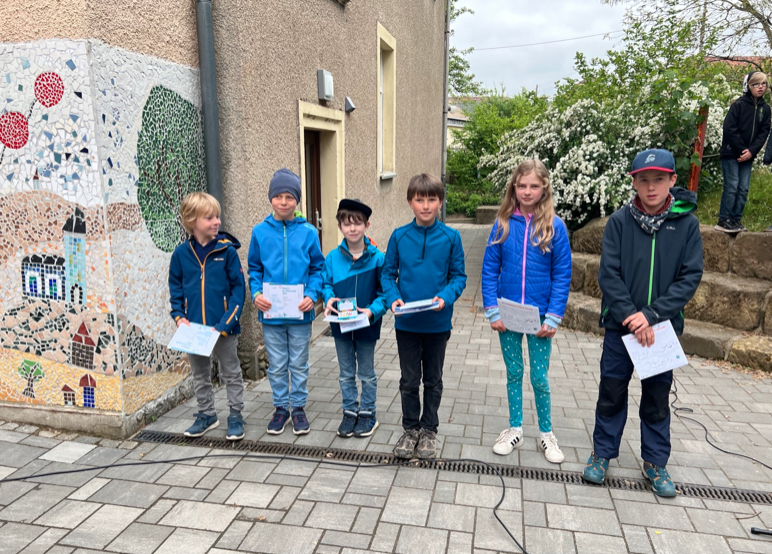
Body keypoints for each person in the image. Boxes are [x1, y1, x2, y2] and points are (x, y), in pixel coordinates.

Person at [584, 149, 703, 497]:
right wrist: (632, 317)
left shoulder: (687, 225)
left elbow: (689, 277)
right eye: (644, 180)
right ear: (634, 183)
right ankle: (602, 453)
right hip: (621, 326)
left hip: (661, 329)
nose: (651, 187)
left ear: (672, 181)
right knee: (611, 392)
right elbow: (609, 274)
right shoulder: (619, 222)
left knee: (656, 397)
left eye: (659, 179)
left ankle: (655, 461)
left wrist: (651, 316)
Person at [481, 159, 572, 464]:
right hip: (508, 314)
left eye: (534, 186)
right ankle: (515, 428)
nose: (527, 191)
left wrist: (554, 316)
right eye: (522, 185)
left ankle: (546, 433)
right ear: (514, 187)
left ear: (544, 188)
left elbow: (562, 274)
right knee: (514, 372)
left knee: (539, 377)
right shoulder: (503, 223)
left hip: (540, 316)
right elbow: (489, 268)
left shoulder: (555, 227)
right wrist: (492, 311)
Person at [382, 173, 467, 459]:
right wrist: (393, 298)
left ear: (440, 201)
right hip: (406, 323)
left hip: (437, 324)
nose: (426, 205)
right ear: (410, 202)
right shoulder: (399, 236)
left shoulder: (452, 237)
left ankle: (429, 430)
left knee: (432, 379)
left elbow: (458, 277)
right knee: (409, 381)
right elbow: (387, 274)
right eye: (420, 199)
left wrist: (446, 296)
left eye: (432, 199)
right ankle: (410, 430)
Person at [248, 168, 325, 436]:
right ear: (270, 198)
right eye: (278, 196)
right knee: (278, 364)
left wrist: (312, 295)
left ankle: (298, 407)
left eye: (289, 197)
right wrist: (256, 294)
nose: (283, 202)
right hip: (271, 315)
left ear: (297, 200)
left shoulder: (309, 232)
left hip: (300, 313)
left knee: (299, 363)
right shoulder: (259, 232)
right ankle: (281, 407)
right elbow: (254, 268)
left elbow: (317, 268)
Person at [168, 192, 246, 441]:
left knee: (230, 372)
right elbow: (175, 288)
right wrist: (179, 317)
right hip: (194, 329)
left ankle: (235, 415)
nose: (217, 222)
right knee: (200, 374)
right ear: (192, 221)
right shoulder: (181, 254)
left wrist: (225, 324)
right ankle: (206, 414)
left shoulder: (227, 252)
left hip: (223, 328)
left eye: (217, 217)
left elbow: (238, 291)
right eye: (210, 217)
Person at [322, 199, 387, 438]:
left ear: (366, 225)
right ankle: (350, 411)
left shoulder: (378, 259)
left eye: (357, 223)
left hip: (366, 325)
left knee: (367, 373)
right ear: (340, 226)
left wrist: (371, 311)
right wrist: (328, 298)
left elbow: (386, 293)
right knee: (346, 373)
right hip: (341, 326)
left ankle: (368, 413)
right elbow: (326, 284)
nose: (352, 228)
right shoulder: (332, 258)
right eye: (347, 224)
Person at [716, 71, 770, 233]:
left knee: (743, 187)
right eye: (756, 84)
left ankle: (735, 219)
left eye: (763, 84)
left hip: (749, 155)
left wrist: (751, 152)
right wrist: (742, 150)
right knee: (732, 185)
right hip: (731, 153)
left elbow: (764, 132)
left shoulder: (765, 109)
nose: (760, 87)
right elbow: (729, 129)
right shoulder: (738, 105)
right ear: (748, 86)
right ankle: (724, 219)